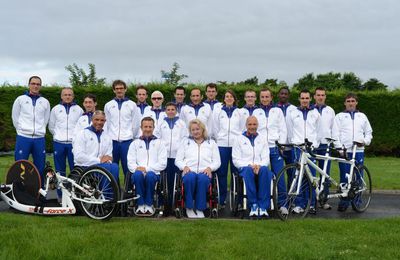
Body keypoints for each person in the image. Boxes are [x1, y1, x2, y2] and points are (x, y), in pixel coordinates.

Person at [332, 93, 373, 212]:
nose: (350, 103)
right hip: (345, 151)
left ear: (356, 103)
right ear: (345, 103)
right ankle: (344, 201)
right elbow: (335, 134)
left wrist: (364, 142)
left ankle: (357, 201)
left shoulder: (362, 116)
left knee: (358, 176)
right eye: (348, 101)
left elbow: (369, 132)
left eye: (353, 101)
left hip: (358, 150)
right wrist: (339, 148)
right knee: (344, 176)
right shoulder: (339, 116)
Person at [175, 119, 221, 218]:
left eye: (198, 129)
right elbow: (178, 160)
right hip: (189, 171)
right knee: (189, 178)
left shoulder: (211, 143)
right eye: (193, 130)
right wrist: (184, 166)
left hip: (204, 171)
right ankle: (189, 208)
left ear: (203, 130)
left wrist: (210, 168)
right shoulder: (185, 142)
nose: (195, 132)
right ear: (190, 131)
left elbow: (217, 161)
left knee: (203, 179)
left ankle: (200, 208)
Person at [253, 88, 288, 215]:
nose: (264, 99)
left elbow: (283, 129)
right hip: (261, 149)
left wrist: (281, 145)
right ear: (259, 98)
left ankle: (283, 204)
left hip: (275, 148)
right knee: (261, 176)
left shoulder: (277, 111)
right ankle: (263, 203)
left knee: (280, 176)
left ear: (271, 97)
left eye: (267, 97)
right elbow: (253, 129)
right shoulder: (256, 111)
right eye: (262, 97)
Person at [286, 89, 321, 214]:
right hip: (298, 148)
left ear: (310, 99)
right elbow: (289, 130)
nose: (305, 100)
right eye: (303, 98)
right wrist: (294, 142)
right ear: (299, 99)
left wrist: (315, 144)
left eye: (307, 98)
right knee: (298, 175)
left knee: (310, 176)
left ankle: (311, 204)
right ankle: (299, 204)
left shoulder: (315, 113)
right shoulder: (293, 113)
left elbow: (319, 131)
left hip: (310, 148)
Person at [232, 116, 274, 217]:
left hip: (260, 166)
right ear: (246, 125)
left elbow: (266, 157)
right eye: (250, 124)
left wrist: (259, 165)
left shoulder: (262, 138)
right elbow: (235, 159)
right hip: (245, 167)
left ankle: (263, 207)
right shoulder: (239, 139)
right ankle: (253, 205)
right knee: (248, 171)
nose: (252, 127)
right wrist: (249, 165)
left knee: (265, 171)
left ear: (257, 125)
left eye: (254, 124)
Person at [12, 76, 50, 182]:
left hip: (39, 138)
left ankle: (39, 191)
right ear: (29, 85)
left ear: (40, 86)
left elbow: (45, 119)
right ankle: (18, 190)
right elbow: (15, 117)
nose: (35, 86)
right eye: (33, 83)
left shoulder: (45, 102)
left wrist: (41, 130)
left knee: (40, 165)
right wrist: (21, 130)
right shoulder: (20, 100)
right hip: (23, 137)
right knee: (20, 165)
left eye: (38, 84)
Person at [127, 117, 167, 215]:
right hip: (138, 173)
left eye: (150, 127)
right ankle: (140, 205)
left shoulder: (160, 143)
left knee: (149, 175)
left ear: (153, 128)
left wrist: (147, 169)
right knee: (137, 175)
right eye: (145, 127)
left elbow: (163, 163)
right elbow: (130, 162)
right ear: (141, 127)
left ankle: (149, 205)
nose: (148, 129)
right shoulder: (134, 143)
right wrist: (137, 169)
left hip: (154, 173)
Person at [104, 80, 140, 180]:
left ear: (125, 89)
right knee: (112, 167)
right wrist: (108, 138)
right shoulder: (108, 105)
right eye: (117, 89)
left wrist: (131, 136)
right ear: (114, 90)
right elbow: (107, 123)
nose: (119, 90)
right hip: (112, 141)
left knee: (128, 167)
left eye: (121, 88)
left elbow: (136, 123)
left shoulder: (132, 105)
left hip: (127, 141)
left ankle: (128, 191)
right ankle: (114, 191)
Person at [154, 102, 188, 210]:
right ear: (165, 111)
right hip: (164, 157)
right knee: (164, 180)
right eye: (168, 109)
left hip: (177, 156)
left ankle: (176, 202)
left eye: (172, 109)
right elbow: (156, 137)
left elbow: (185, 138)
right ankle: (163, 202)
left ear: (176, 111)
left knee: (175, 180)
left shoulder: (182, 124)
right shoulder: (160, 123)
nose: (170, 111)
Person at [72, 110, 120, 184]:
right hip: (85, 166)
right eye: (96, 119)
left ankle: (111, 194)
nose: (99, 122)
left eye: (102, 120)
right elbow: (78, 157)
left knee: (115, 167)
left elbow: (109, 156)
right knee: (107, 168)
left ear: (105, 121)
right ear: (92, 120)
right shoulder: (82, 134)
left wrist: (107, 160)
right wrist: (98, 160)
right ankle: (106, 194)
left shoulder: (107, 136)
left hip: (101, 166)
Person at [212, 89, 242, 207]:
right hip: (222, 145)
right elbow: (215, 128)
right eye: (226, 96)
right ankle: (221, 199)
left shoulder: (240, 112)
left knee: (236, 172)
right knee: (222, 173)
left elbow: (242, 129)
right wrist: (220, 138)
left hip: (236, 146)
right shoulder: (218, 112)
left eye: (231, 96)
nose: (229, 98)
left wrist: (238, 141)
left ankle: (238, 200)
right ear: (224, 99)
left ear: (234, 99)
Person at [49, 87, 83, 178]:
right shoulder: (55, 109)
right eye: (65, 95)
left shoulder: (79, 110)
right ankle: (61, 191)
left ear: (73, 96)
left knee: (75, 168)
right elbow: (51, 126)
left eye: (69, 95)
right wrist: (57, 135)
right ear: (61, 96)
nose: (67, 97)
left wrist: (76, 138)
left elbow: (81, 127)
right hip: (59, 143)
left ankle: (75, 191)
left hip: (73, 144)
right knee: (59, 169)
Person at [312, 87, 336, 210]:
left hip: (325, 145)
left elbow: (333, 128)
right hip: (312, 145)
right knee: (310, 174)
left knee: (325, 174)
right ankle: (311, 201)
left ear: (325, 96)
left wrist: (335, 144)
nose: (320, 97)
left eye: (323, 95)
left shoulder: (330, 110)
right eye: (318, 95)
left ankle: (324, 200)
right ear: (314, 96)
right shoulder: (310, 110)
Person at [276, 86, 297, 167]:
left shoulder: (295, 109)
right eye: (282, 93)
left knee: (292, 169)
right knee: (278, 170)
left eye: (285, 94)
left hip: (291, 145)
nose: (283, 95)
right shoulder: (274, 109)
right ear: (278, 95)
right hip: (278, 145)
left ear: (288, 95)